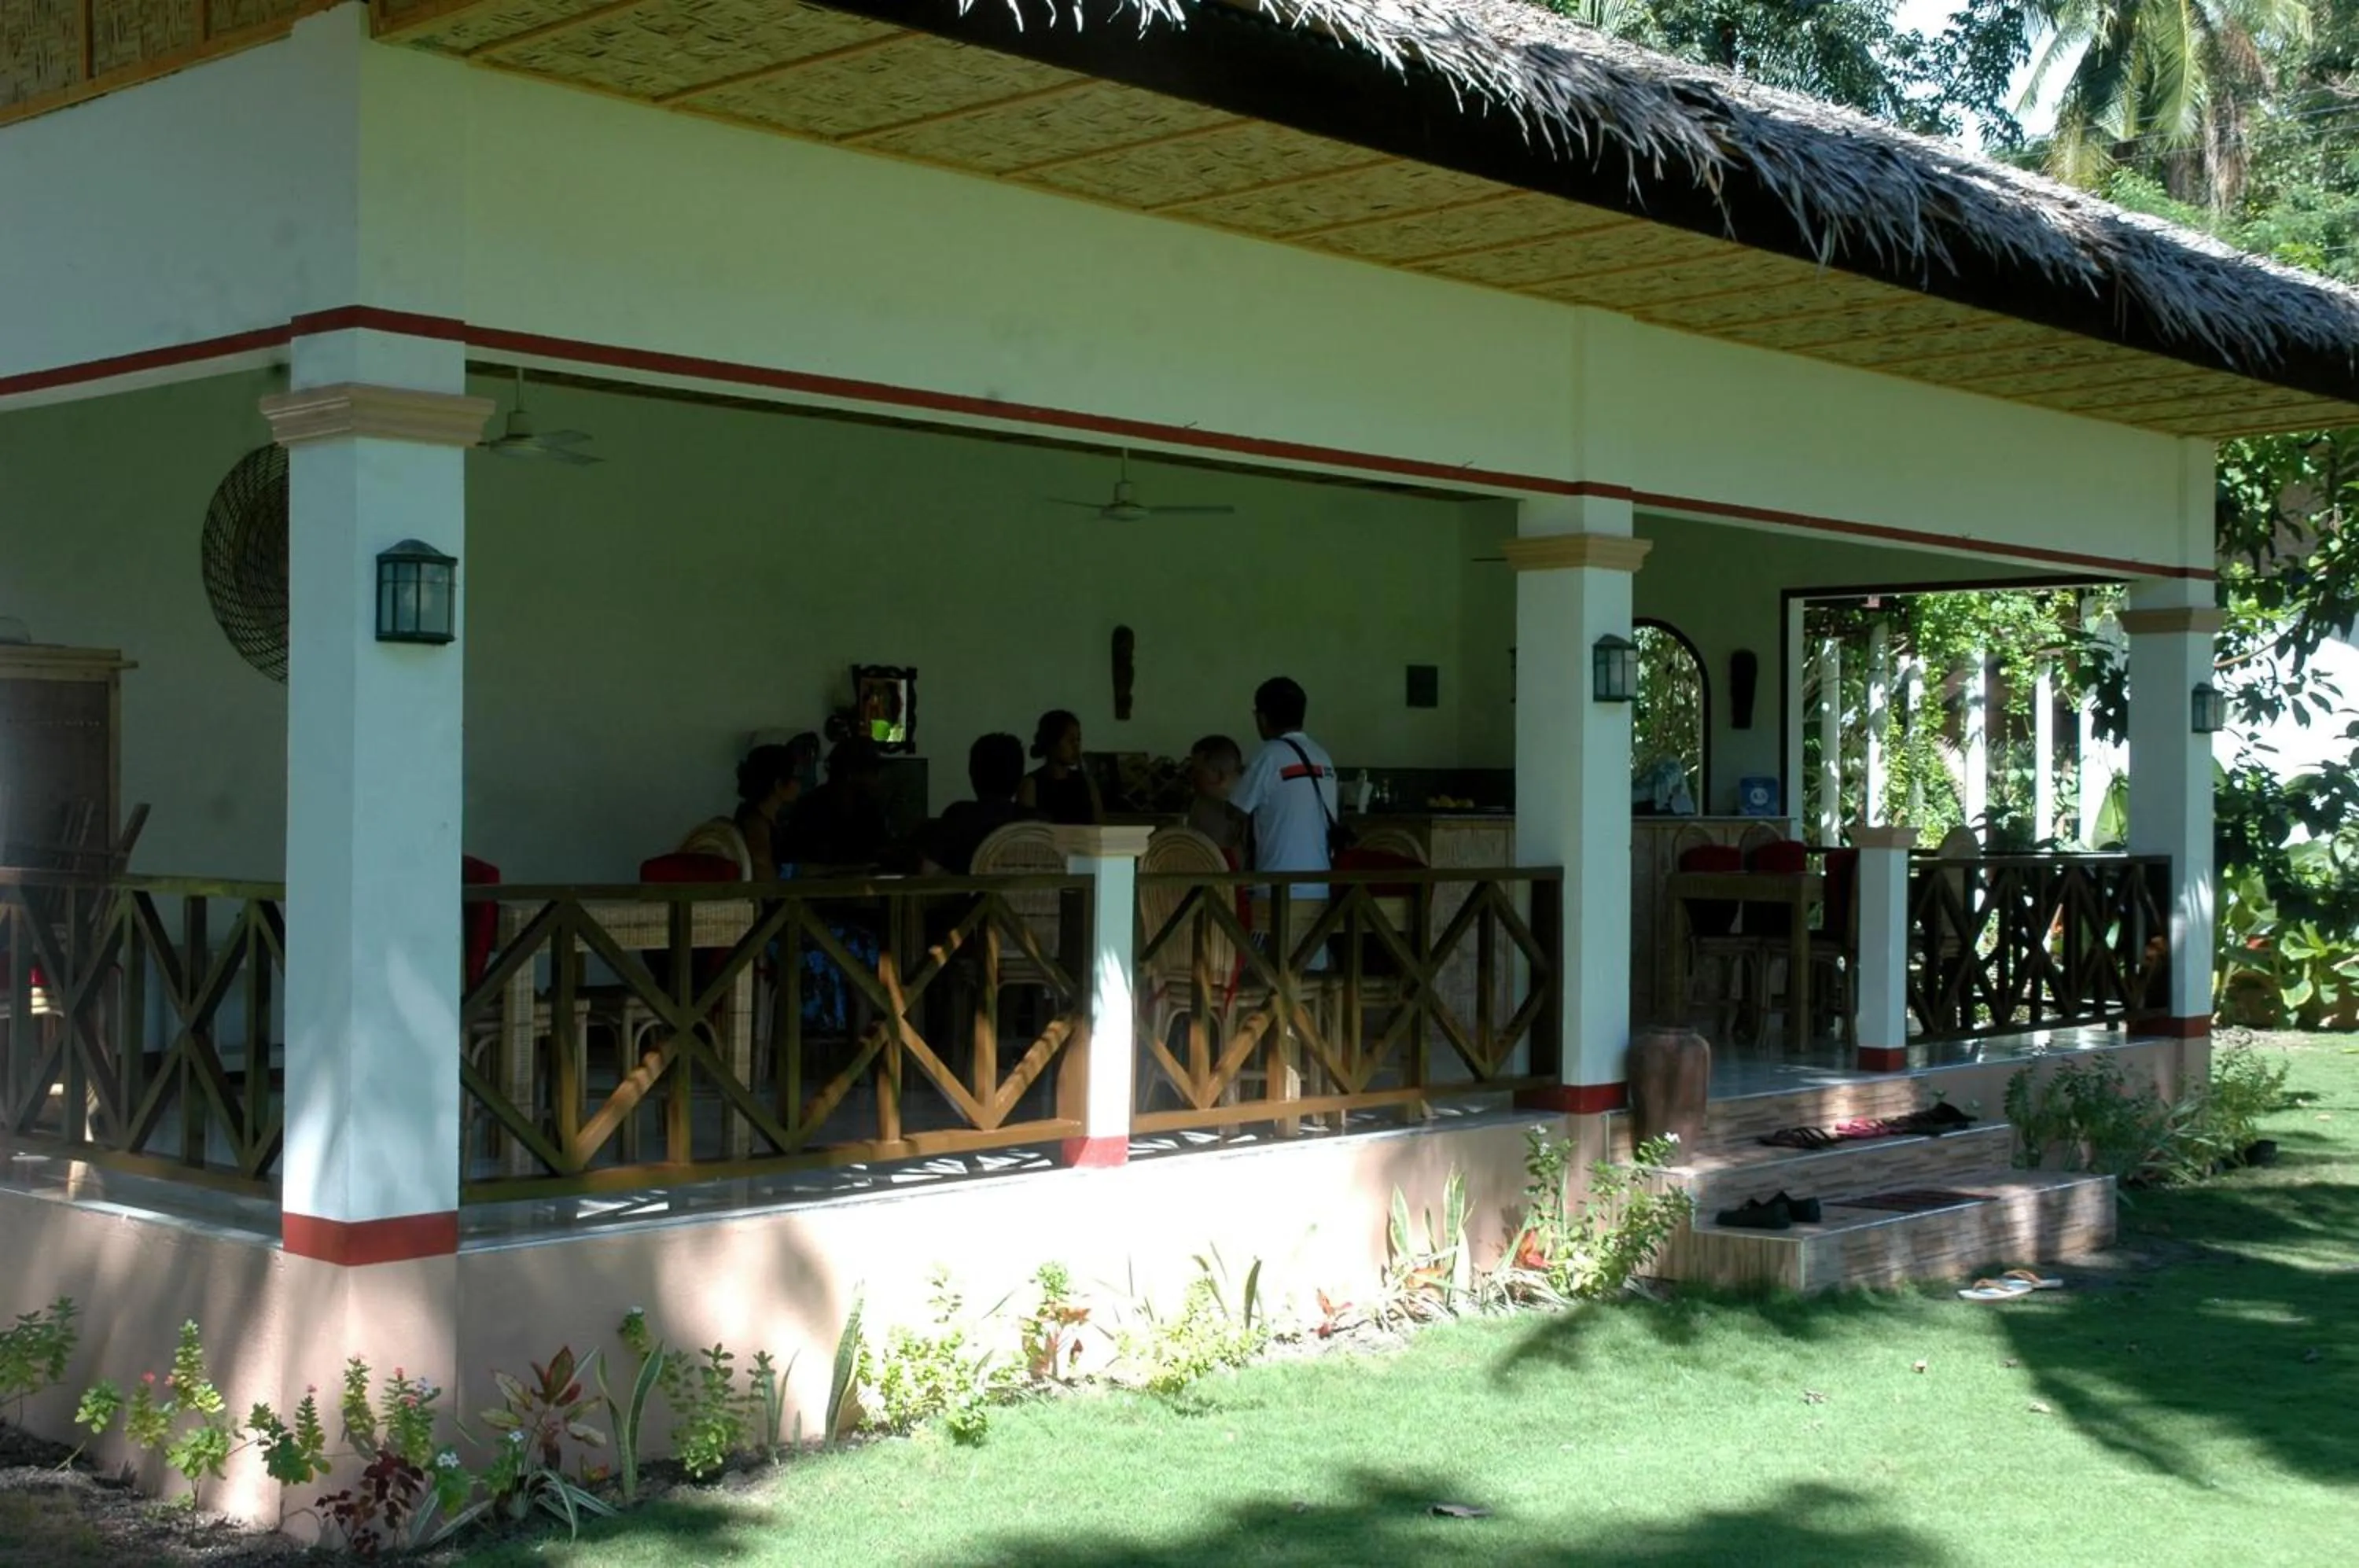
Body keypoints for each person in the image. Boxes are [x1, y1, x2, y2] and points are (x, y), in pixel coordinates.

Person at [1231, 676, 1338, 881]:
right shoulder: (1322, 756)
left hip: (1276, 886)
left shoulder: (1269, 755)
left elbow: (1236, 811)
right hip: (1322, 882)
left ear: (1262, 718)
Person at [925, 733, 1039, 874]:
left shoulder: (958, 816)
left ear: (972, 773)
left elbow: (928, 869)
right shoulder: (1038, 824)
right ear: (1020, 776)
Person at [783, 736, 894, 869]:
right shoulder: (811, 808)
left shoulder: (869, 808)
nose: (877, 779)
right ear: (851, 773)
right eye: (873, 772)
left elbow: (881, 850)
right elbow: (794, 864)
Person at [1016, 709, 1103, 826]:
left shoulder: (1087, 782)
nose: (1076, 746)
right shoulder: (1031, 785)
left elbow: (1098, 827)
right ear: (1052, 743)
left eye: (1078, 740)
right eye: (1070, 741)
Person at [1185, 734, 1251, 867]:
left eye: (1198, 770)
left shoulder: (1239, 807)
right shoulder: (1203, 799)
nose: (1192, 775)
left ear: (1218, 773)